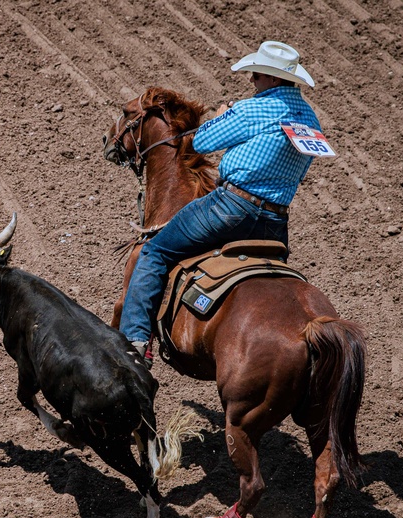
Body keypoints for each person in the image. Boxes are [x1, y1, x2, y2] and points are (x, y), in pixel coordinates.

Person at [120, 41, 321, 366]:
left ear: (270, 78)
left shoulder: (253, 108)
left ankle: (135, 342)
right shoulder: (310, 118)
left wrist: (221, 115)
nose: (252, 80)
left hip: (231, 209)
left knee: (154, 252)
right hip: (276, 225)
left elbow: (202, 141)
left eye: (256, 74)